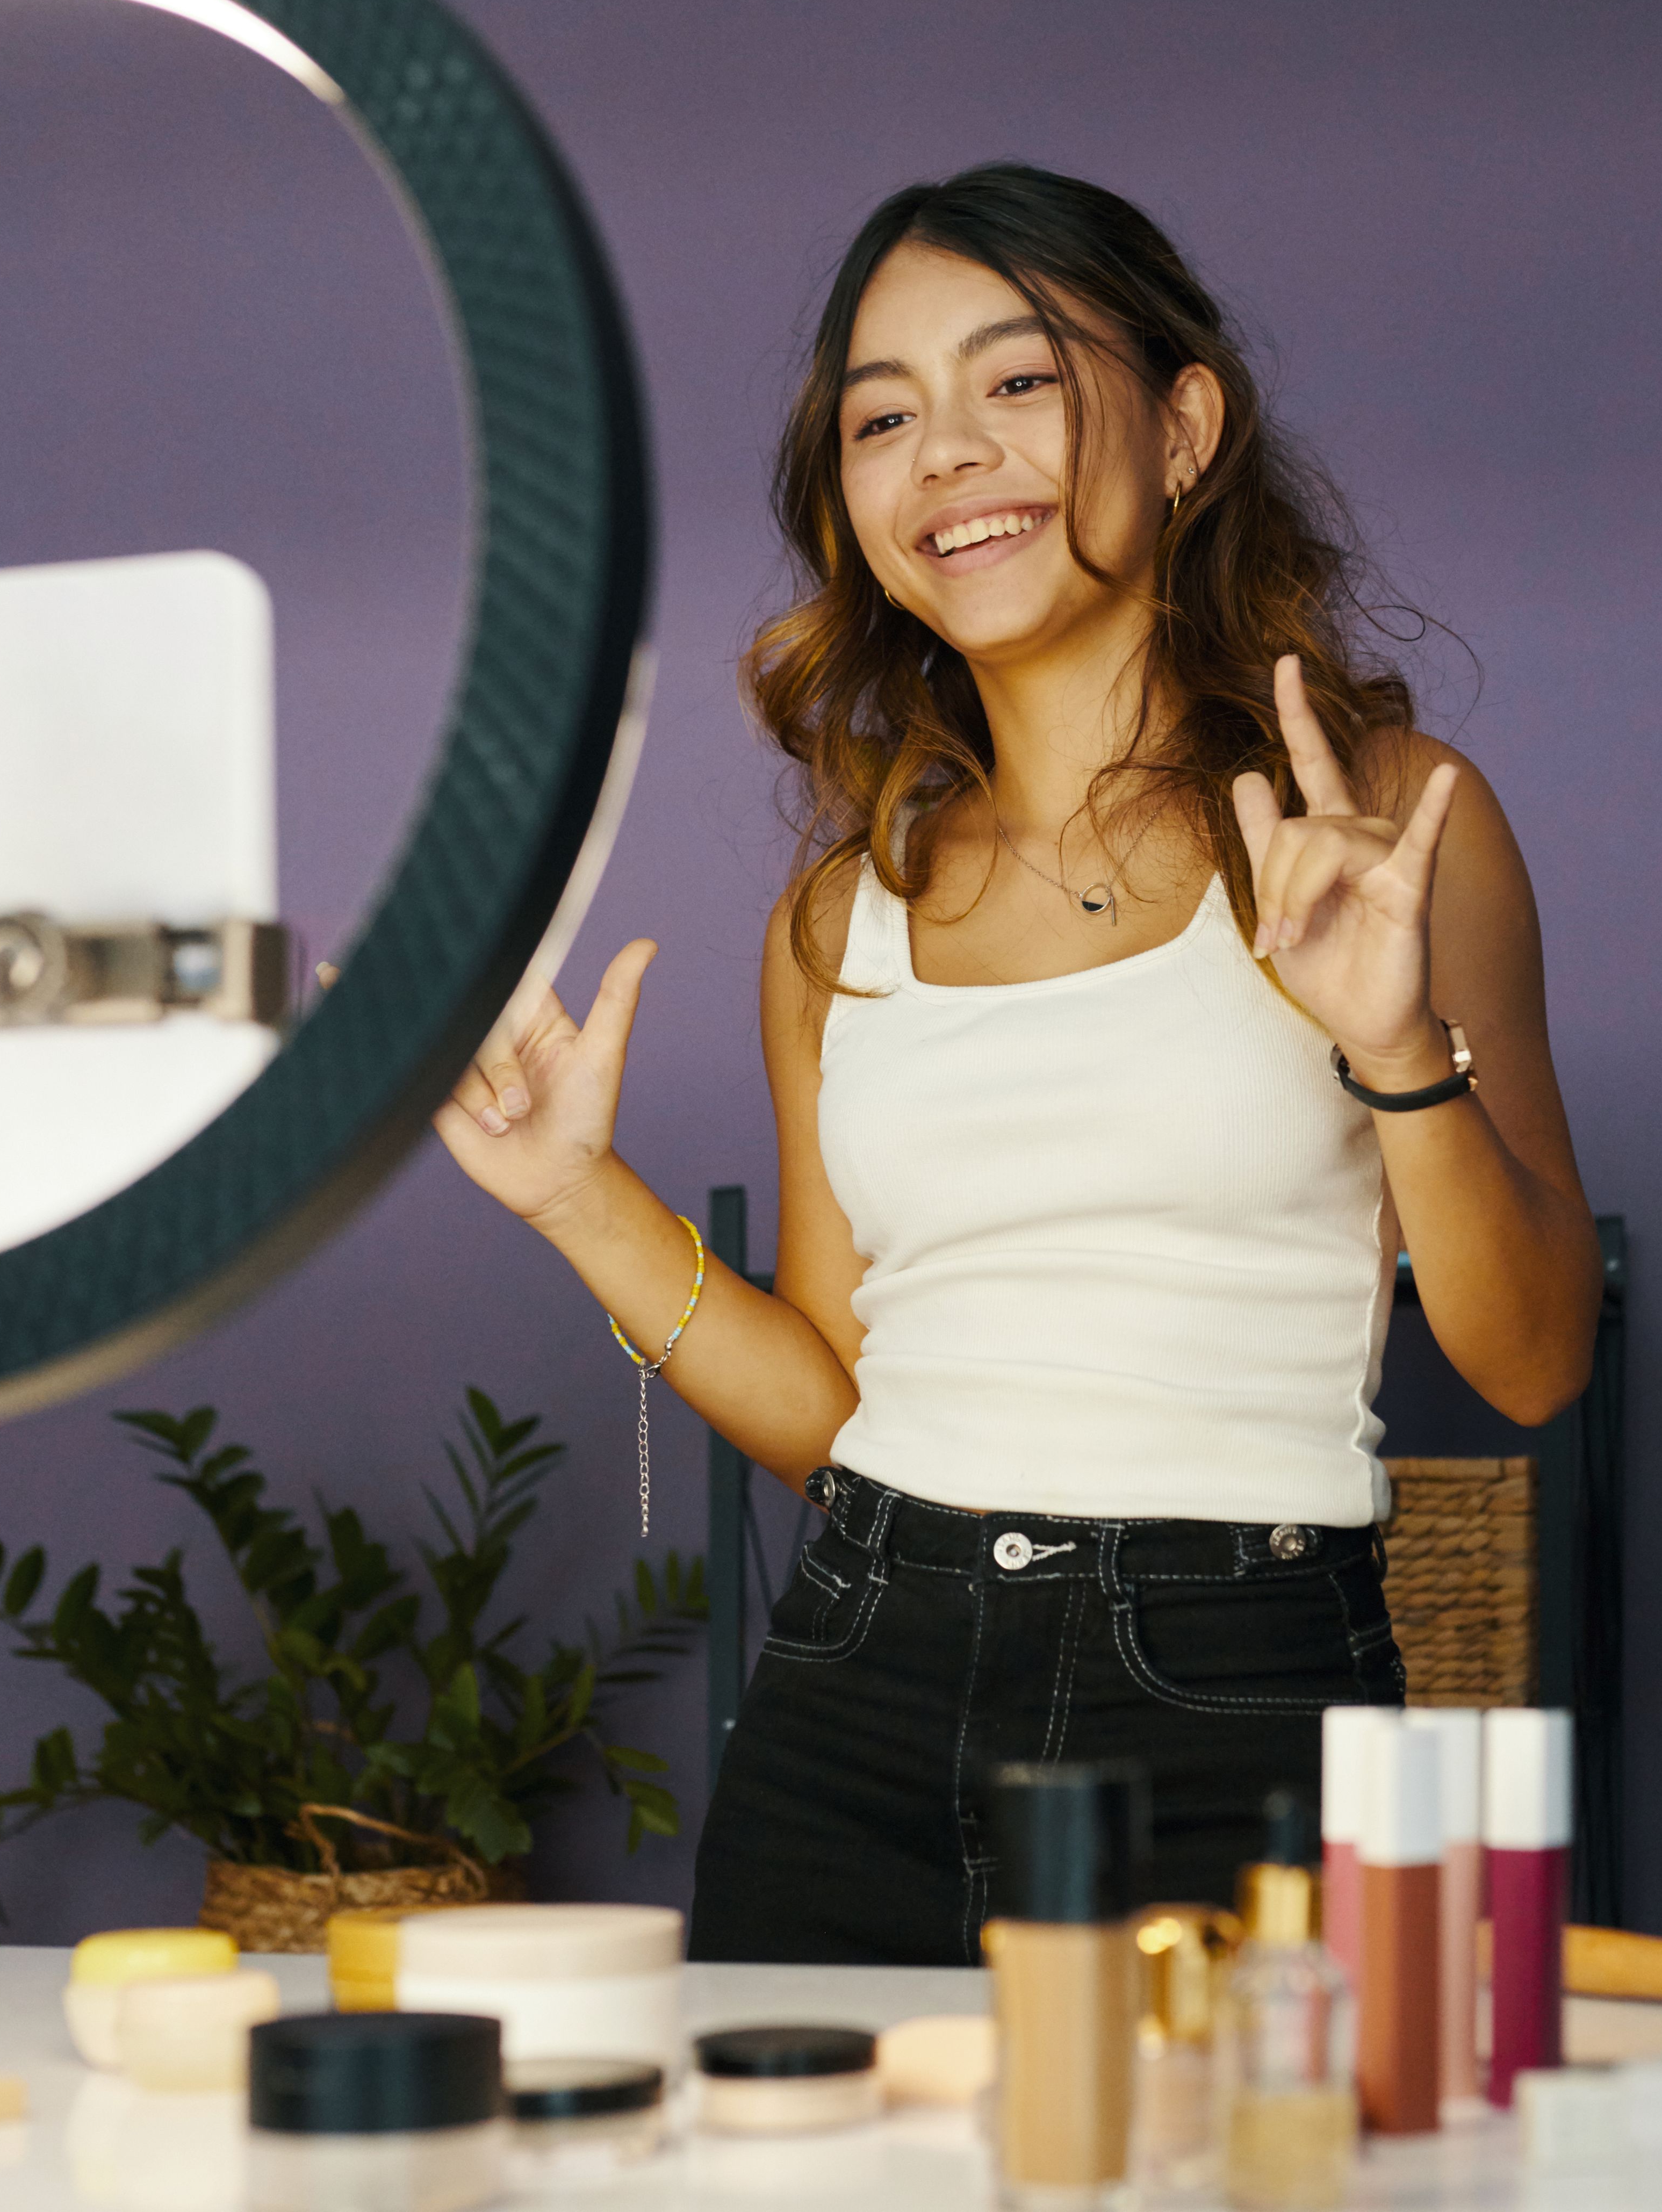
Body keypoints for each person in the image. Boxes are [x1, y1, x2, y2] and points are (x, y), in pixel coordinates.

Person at [434, 165, 1598, 1964]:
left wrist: (1394, 1048)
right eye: (881, 417)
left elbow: (1530, 1363)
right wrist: (582, 1204)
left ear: (1186, 423)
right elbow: (839, 1416)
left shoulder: (1375, 822)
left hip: (1243, 1691)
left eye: (1019, 382)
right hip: (857, 1685)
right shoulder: (846, 914)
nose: (944, 455)